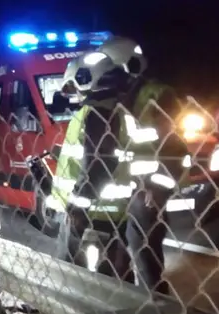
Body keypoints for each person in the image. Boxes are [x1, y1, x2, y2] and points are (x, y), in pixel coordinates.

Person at [51, 38, 187, 294]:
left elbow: (172, 152)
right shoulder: (117, 103)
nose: (108, 76)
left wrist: (155, 188)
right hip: (120, 198)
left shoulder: (152, 97)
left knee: (142, 261)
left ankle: (154, 312)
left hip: (139, 199)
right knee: (118, 266)